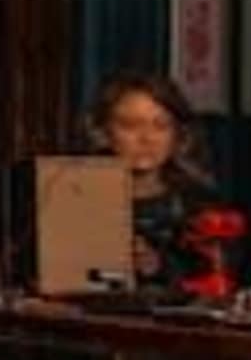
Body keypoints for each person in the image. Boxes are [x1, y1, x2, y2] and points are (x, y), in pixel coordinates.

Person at [90, 71, 229, 295]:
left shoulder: (198, 203)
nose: (147, 138)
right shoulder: (78, 196)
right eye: (130, 125)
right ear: (104, 133)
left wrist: (157, 265)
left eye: (161, 126)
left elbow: (216, 279)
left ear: (177, 135)